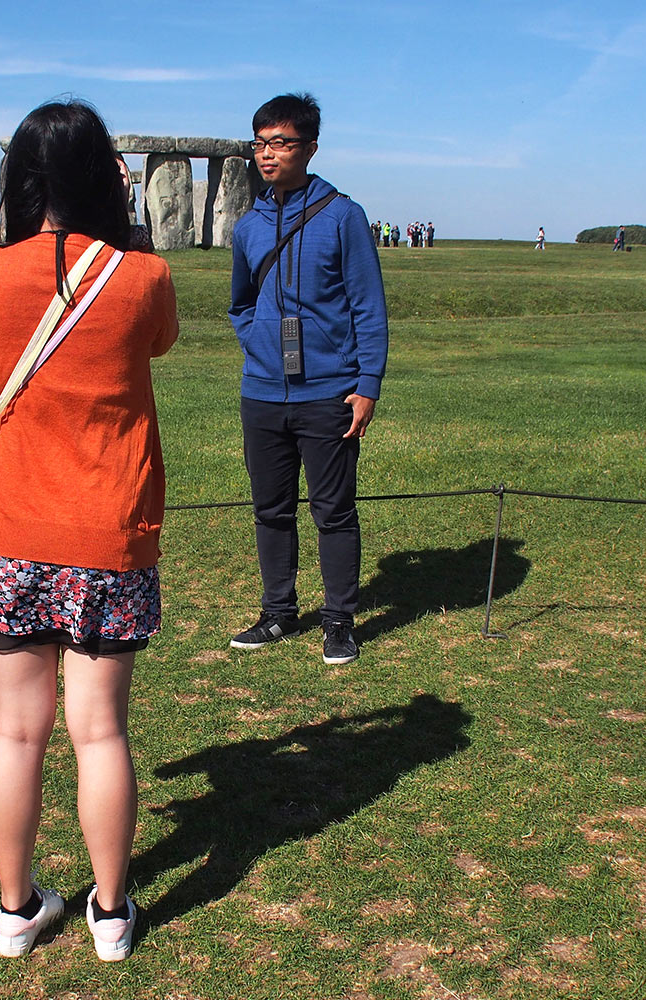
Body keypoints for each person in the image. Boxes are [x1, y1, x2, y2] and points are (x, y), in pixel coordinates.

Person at [0, 100, 177, 962]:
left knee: (15, 731)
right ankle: (109, 913)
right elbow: (160, 342)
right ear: (105, 175)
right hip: (103, 528)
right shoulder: (142, 277)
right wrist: (127, 224)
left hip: (1, 528)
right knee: (99, 731)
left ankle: (17, 908)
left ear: (22, 177)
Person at [227, 92, 388, 666]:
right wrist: (258, 342)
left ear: (310, 148)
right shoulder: (248, 225)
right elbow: (239, 303)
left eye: (280, 143)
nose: (267, 154)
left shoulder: (343, 215)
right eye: (260, 143)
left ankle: (340, 620)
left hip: (330, 391)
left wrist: (366, 383)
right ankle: (277, 611)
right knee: (271, 508)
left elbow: (368, 305)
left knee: (333, 510)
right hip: (263, 392)